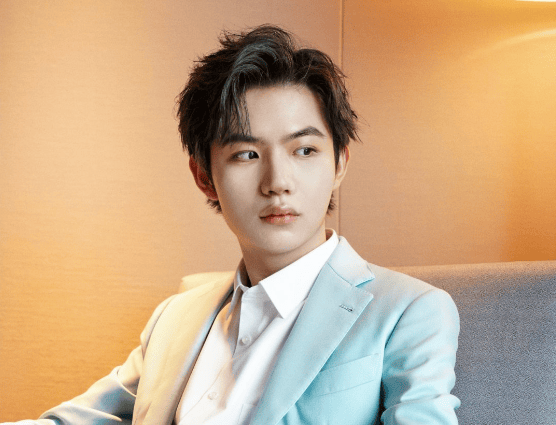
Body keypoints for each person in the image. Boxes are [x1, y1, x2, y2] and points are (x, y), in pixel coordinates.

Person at [4, 25, 460, 425]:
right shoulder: (175, 317)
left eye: (304, 150)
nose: (277, 182)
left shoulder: (408, 312)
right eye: (246, 154)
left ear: (339, 162)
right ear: (204, 177)